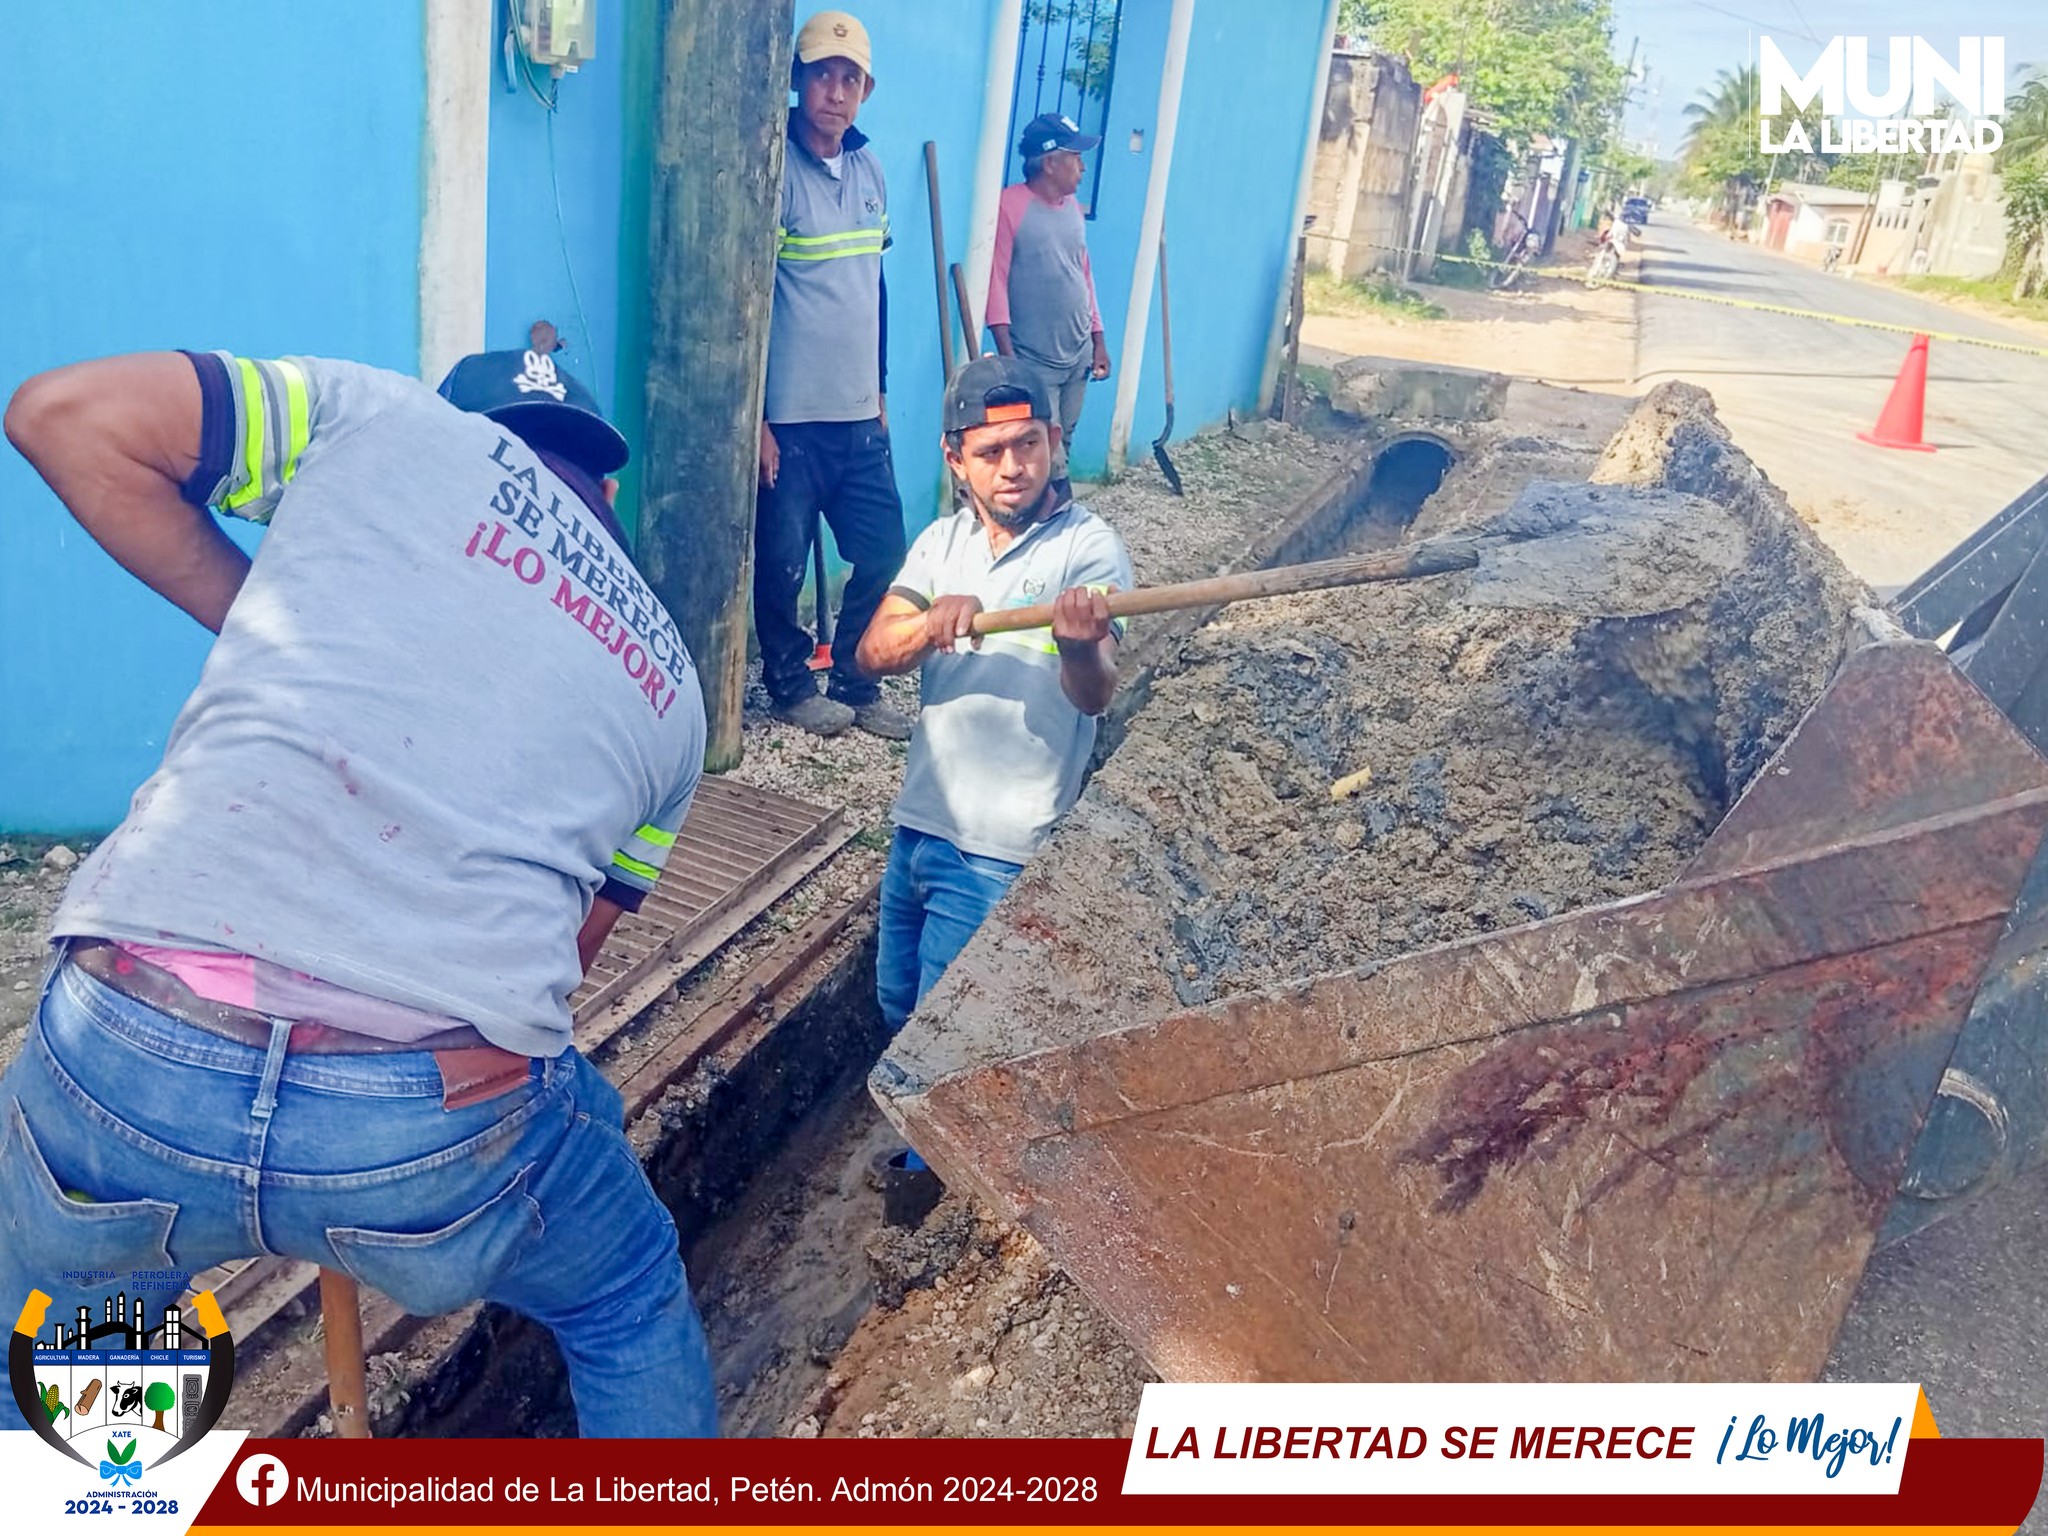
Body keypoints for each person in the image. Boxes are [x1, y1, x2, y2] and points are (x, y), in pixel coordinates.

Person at [0, 343, 718, 1436]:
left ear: (464, 425)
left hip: (130, 1057)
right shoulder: (672, 684)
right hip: (425, 1127)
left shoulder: (387, 424)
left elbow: (62, 415)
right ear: (606, 497)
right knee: (622, 1296)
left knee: (77, 1350)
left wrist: (267, 626)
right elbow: (565, 962)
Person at [856, 356, 1132, 1038]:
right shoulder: (941, 543)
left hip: (1001, 852)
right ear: (956, 460)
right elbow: (871, 654)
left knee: (942, 1037)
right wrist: (929, 625)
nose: (1013, 467)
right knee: (895, 1008)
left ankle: (928, 1122)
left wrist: (1076, 645)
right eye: (990, 452)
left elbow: (1095, 694)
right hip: (918, 826)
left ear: (1054, 442)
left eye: (1028, 444)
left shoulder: (1088, 550)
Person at [755, 10, 912, 741]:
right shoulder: (774, 166)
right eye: (823, 74)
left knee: (883, 551)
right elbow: (749, 300)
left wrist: (878, 391)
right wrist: (755, 419)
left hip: (857, 416)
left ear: (865, 90)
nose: (837, 91)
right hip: (789, 419)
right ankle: (789, 686)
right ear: (799, 80)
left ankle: (855, 679)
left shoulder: (871, 169)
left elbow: (873, 287)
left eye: (851, 79)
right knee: (782, 563)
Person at [987, 112, 1111, 508]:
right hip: (1035, 359)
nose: (1082, 167)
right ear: (1050, 162)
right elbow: (995, 282)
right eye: (1075, 157)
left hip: (1078, 353)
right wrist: (1009, 358)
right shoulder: (1010, 206)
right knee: (1048, 448)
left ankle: (1045, 517)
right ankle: (1060, 519)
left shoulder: (1072, 208)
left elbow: (1084, 274)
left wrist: (1098, 340)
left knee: (1063, 441)